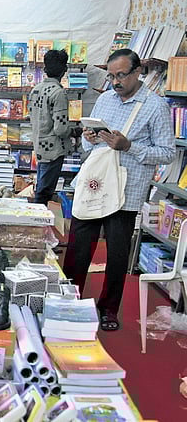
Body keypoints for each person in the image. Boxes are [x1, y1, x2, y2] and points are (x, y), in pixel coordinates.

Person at [63, 49, 176, 331]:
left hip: (127, 191)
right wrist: (89, 138)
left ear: (138, 72)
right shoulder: (105, 99)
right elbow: (90, 145)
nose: (115, 82)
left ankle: (108, 310)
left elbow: (167, 153)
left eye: (121, 75)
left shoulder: (155, 106)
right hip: (96, 185)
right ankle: (68, 301)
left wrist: (129, 147)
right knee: (78, 247)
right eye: (111, 76)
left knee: (116, 254)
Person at [28, 49, 74, 205]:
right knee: (45, 192)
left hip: (39, 145)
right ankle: (38, 218)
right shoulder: (58, 93)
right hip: (53, 149)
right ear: (64, 70)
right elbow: (61, 129)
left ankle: (37, 215)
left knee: (41, 188)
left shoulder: (35, 90)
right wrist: (75, 131)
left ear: (45, 69)